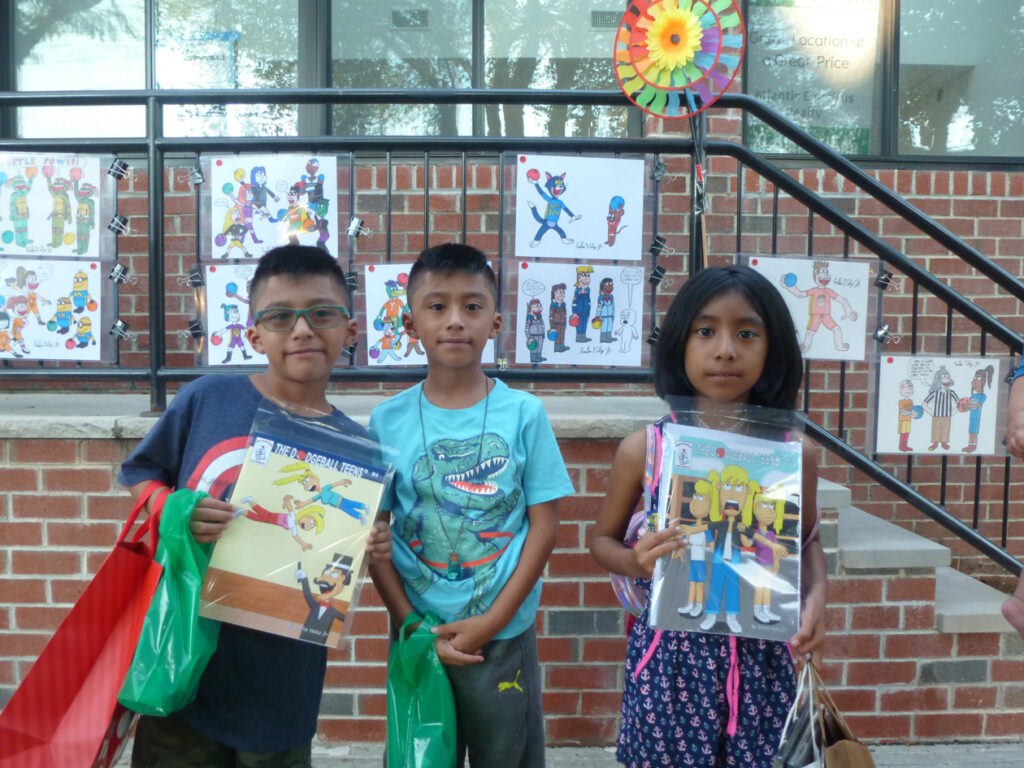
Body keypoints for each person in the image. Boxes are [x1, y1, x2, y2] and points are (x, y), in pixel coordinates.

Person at [118, 244, 392, 767]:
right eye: (280, 317)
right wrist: (174, 508)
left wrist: (374, 544)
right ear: (254, 335)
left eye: (322, 313)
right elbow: (141, 474)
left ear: (351, 330)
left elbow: (347, 555)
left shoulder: (361, 449)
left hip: (283, 681)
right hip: (184, 662)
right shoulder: (208, 400)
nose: (302, 329)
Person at [589, 264, 827, 768]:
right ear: (679, 342)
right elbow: (601, 541)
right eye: (705, 331)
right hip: (670, 661)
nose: (725, 350)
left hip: (764, 659)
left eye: (747, 333)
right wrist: (634, 560)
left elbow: (806, 543)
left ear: (774, 348)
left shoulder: (793, 454)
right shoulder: (647, 449)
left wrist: (816, 601)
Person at [368, 242, 574, 768]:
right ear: (410, 323)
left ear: (495, 322)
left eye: (472, 306)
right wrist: (412, 626)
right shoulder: (387, 421)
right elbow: (375, 538)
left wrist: (494, 619)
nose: (456, 320)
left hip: (501, 636)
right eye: (437, 306)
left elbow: (545, 527)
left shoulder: (525, 413)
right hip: (418, 631)